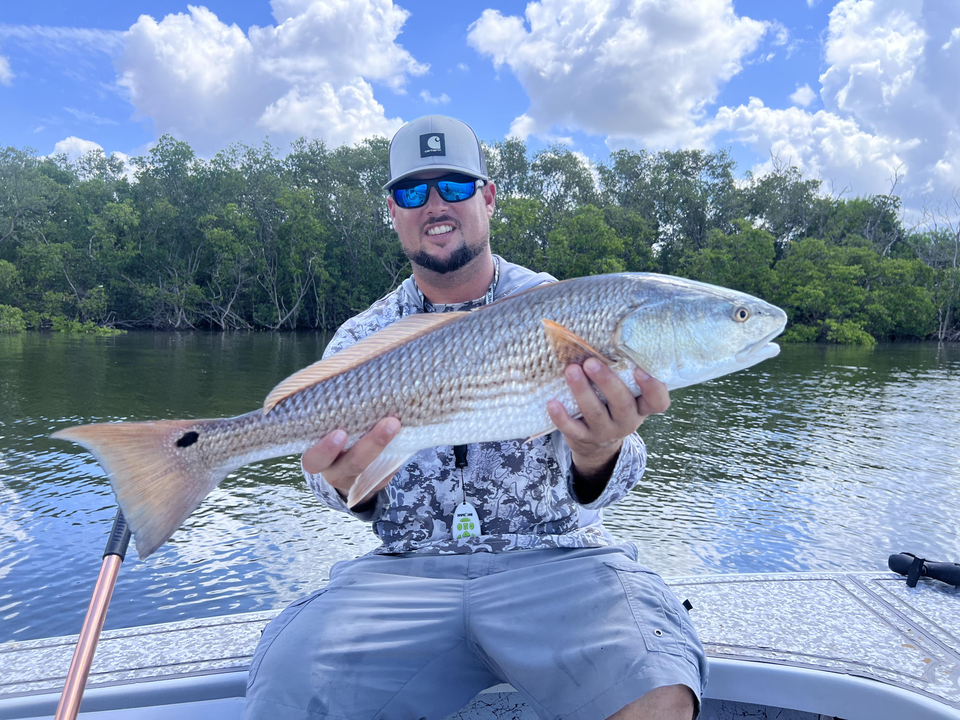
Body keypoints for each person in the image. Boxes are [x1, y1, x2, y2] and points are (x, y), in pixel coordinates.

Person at [242, 115, 707, 720]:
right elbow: (326, 483)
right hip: (404, 575)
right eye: (414, 192)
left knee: (658, 691)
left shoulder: (568, 308)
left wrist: (599, 452)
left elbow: (619, 481)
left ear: (487, 198)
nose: (435, 205)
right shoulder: (363, 336)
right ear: (393, 211)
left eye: (456, 186)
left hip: (558, 561)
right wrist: (345, 481)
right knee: (286, 690)